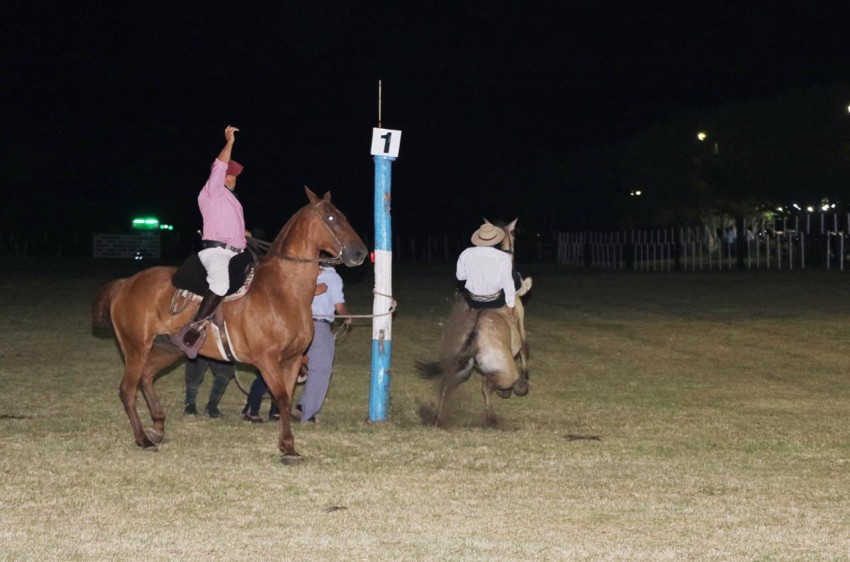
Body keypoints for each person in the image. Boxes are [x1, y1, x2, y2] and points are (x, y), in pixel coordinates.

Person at [170, 125, 248, 359]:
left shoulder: (231, 200)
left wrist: (244, 236)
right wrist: (229, 142)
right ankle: (192, 330)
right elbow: (219, 165)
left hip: (235, 251)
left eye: (233, 173)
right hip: (216, 252)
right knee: (221, 284)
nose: (232, 176)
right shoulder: (212, 191)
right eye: (229, 172)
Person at [242, 267, 352, 423]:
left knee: (288, 366)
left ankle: (279, 410)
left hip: (303, 324)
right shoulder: (308, 274)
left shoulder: (316, 275)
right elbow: (279, 297)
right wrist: (311, 293)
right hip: (301, 324)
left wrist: (345, 314)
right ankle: (260, 408)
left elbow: (339, 305)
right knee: (279, 365)